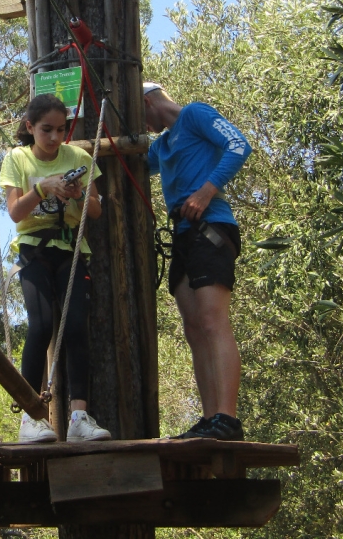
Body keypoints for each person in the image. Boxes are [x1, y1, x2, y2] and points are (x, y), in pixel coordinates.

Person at [0, 94, 111, 443]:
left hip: (72, 249)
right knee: (41, 325)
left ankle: (79, 416)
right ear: (30, 127)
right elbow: (16, 213)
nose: (54, 138)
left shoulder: (78, 157)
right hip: (34, 249)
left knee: (75, 326)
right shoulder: (17, 158)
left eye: (61, 130)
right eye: (46, 130)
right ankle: (32, 418)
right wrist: (42, 188)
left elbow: (94, 211)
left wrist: (77, 193)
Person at [144, 82, 251, 441]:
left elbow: (238, 145)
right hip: (184, 233)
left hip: (212, 227)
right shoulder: (161, 145)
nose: (142, 127)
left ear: (147, 101)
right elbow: (125, 159)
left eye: (139, 115)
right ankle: (209, 419)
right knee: (193, 327)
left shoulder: (195, 114)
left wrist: (207, 191)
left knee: (211, 319)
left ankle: (227, 418)